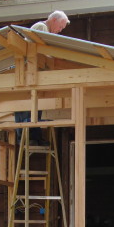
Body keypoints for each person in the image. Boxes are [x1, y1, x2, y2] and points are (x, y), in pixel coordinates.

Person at [15, 11, 70, 144]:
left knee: (33, 109)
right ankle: (30, 138)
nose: (59, 31)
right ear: (54, 20)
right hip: (29, 74)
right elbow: (41, 53)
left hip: (32, 74)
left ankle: (32, 137)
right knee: (29, 110)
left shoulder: (44, 29)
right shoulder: (41, 27)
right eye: (60, 27)